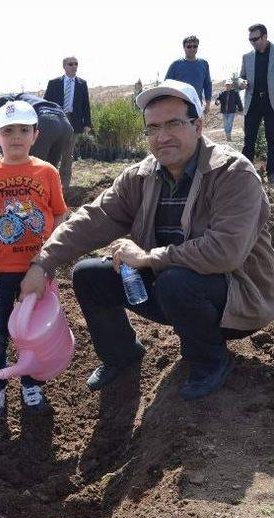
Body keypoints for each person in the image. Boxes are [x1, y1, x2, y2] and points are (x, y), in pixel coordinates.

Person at [20, 79, 274, 401]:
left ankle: (211, 361)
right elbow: (94, 217)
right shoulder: (142, 176)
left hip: (234, 299)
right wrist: (43, 261)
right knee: (88, 276)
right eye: (153, 128)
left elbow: (225, 252)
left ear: (197, 126)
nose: (162, 136)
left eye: (173, 124)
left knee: (175, 282)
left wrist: (150, 257)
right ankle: (122, 353)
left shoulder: (233, 174)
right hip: (174, 290)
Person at [0, 101, 68, 422]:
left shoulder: (46, 172)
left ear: (35, 135)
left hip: (36, 270)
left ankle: (32, 383)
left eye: (23, 130)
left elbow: (59, 214)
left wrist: (48, 257)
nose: (16, 137)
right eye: (8, 131)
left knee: (33, 330)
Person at [0, 93, 74, 191]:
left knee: (34, 169)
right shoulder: (27, 97)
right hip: (66, 124)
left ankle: (32, 194)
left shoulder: (10, 102)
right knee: (51, 166)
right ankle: (60, 192)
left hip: (46, 121)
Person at [44, 56, 92, 191]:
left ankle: (64, 186)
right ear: (64, 66)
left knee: (67, 154)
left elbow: (85, 105)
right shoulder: (54, 83)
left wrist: (87, 123)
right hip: (56, 121)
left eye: (76, 64)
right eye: (71, 64)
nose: (74, 66)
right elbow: (46, 103)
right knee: (53, 152)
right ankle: (49, 182)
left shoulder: (82, 84)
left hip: (73, 122)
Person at [240, 23, 274, 181]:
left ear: (265, 37)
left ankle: (272, 173)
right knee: (249, 139)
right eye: (250, 40)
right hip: (253, 101)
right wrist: (241, 82)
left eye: (255, 39)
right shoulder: (247, 57)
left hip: (271, 102)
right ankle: (245, 173)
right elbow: (242, 76)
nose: (252, 42)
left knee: (272, 138)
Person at [165, 35, 212, 115]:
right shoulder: (175, 65)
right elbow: (167, 85)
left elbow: (207, 85)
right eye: (189, 46)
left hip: (196, 105)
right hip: (178, 106)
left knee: (196, 127)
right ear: (184, 48)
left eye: (195, 46)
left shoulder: (204, 64)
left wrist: (208, 104)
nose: (192, 49)